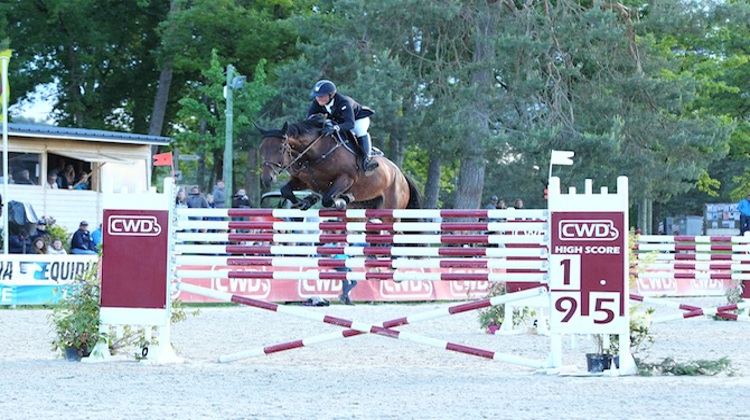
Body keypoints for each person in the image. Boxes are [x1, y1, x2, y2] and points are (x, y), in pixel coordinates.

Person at [306, 79, 379, 174]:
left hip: (357, 119)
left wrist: (334, 128)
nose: (318, 99)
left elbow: (350, 124)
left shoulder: (344, 102)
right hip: (339, 120)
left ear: (331, 95)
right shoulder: (317, 103)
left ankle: (367, 160)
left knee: (359, 131)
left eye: (322, 96)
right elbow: (309, 120)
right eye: (317, 96)